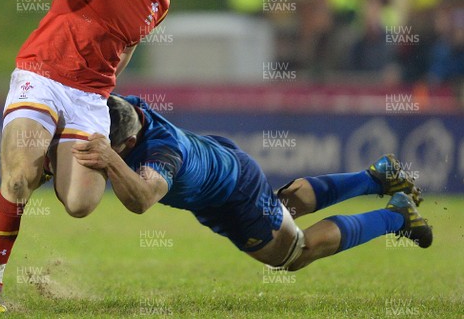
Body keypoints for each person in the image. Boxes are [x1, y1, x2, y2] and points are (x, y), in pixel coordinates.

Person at [0, 0, 210, 313]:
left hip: (89, 99)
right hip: (42, 75)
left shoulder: (161, 2)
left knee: (81, 204)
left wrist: (103, 92)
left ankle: (47, 158)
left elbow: (126, 46)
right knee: (16, 182)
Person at [71, 94, 432, 273]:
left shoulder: (161, 153)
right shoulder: (123, 108)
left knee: (293, 254)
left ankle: (398, 217)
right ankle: (375, 177)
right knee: (283, 207)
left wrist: (110, 160)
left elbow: (142, 199)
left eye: (114, 149)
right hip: (222, 163)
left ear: (129, 145)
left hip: (232, 194)